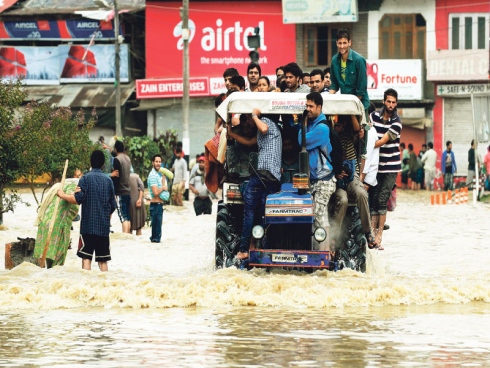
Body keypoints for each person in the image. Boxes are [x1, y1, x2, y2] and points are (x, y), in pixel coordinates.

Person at [227, 109, 282, 261]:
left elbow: (263, 127)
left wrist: (254, 115)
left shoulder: (267, 124)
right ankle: (257, 245)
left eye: (249, 119)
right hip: (272, 177)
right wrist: (231, 134)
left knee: (249, 211)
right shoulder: (274, 131)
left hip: (263, 174)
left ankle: (244, 249)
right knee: (262, 211)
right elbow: (250, 142)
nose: (249, 122)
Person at [57, 150, 117, 271]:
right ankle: (105, 287)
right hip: (103, 229)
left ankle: (86, 285)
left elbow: (77, 199)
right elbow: (113, 205)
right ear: (103, 164)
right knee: (103, 260)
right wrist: (106, 217)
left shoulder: (85, 179)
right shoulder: (108, 181)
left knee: (86, 258)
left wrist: (62, 195)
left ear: (90, 162)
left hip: (88, 228)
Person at [328, 113, 378, 249]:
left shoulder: (350, 135)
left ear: (344, 125)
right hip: (334, 179)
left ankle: (368, 232)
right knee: (343, 200)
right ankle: (333, 238)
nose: (336, 127)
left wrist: (351, 113)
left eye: (338, 125)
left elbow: (356, 130)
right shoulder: (327, 136)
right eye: (334, 125)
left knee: (361, 193)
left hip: (352, 177)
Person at [301, 92, 336, 251]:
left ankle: (324, 252)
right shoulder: (312, 125)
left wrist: (303, 124)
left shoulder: (322, 128)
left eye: (311, 106)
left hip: (324, 180)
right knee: (319, 216)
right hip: (316, 180)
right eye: (306, 106)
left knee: (318, 215)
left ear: (319, 107)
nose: (307, 109)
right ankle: (322, 250)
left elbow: (302, 141)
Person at [370, 88, 402, 249]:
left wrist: (368, 146)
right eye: (388, 101)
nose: (390, 104)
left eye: (393, 102)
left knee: (382, 199)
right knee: (374, 199)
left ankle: (379, 236)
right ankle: (372, 236)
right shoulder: (373, 116)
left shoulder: (397, 122)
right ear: (384, 101)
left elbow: (382, 141)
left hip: (391, 166)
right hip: (375, 165)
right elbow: (367, 129)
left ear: (396, 103)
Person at [34, 179, 79, 268]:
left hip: (44, 221)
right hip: (57, 223)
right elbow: (73, 200)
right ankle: (53, 275)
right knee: (58, 254)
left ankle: (46, 273)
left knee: (46, 253)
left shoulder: (57, 186)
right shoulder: (72, 186)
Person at [148, 154, 169, 243]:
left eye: (160, 162)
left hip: (158, 206)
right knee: (156, 239)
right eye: (156, 161)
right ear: (153, 163)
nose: (158, 163)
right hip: (156, 206)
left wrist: (163, 178)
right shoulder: (153, 175)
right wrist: (163, 188)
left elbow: (160, 188)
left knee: (156, 236)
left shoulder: (157, 175)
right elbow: (156, 192)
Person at [112, 140, 132, 233]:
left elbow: (116, 176)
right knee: (127, 217)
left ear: (116, 149)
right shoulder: (128, 158)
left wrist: (114, 192)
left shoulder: (117, 159)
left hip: (120, 192)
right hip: (128, 191)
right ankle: (128, 237)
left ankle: (125, 235)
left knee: (123, 217)